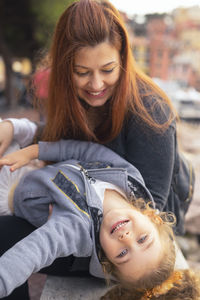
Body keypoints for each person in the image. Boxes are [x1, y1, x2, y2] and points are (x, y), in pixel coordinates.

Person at [0, 0, 194, 298]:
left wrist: (71, 222)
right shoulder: (73, 96)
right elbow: (67, 140)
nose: (96, 83)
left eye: (107, 69)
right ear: (66, 68)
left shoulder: (150, 112)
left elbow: (149, 207)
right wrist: (15, 128)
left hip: (130, 240)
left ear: (123, 60)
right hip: (84, 196)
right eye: (82, 72)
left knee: (7, 238)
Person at [0, 140, 198, 299]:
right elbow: (87, 151)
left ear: (106, 259)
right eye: (142, 239)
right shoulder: (131, 178)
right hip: (31, 163)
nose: (126, 238)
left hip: (10, 192)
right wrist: (36, 151)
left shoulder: (75, 230)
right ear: (153, 218)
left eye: (122, 254)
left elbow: (30, 253)